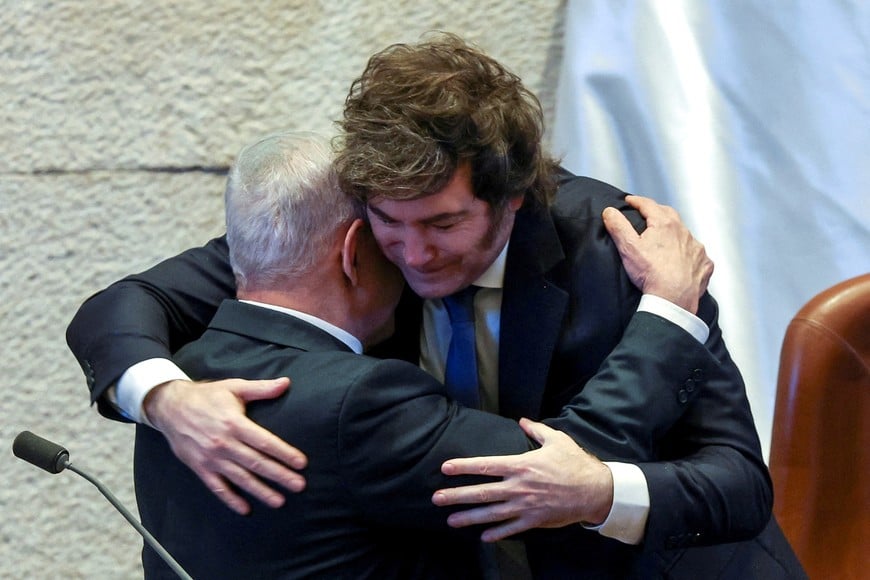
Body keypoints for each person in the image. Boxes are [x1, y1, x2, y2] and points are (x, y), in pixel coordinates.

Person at [69, 34, 802, 577]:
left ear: (511, 197)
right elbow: (124, 304)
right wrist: (164, 398)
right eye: (392, 225)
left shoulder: (625, 256)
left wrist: (602, 490)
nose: (414, 256)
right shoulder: (357, 234)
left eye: (444, 225)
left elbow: (738, 484)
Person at [136, 129, 551, 578]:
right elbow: (562, 465)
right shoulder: (360, 399)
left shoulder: (173, 386)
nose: (410, 258)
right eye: (387, 228)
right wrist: (642, 313)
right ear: (354, 251)